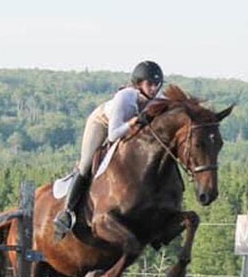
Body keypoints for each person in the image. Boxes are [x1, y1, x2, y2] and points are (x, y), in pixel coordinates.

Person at [53, 60, 165, 239]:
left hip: (129, 130)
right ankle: (67, 212)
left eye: (157, 84)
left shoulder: (159, 99)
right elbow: (113, 134)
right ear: (138, 84)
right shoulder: (125, 98)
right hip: (102, 123)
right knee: (86, 164)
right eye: (150, 84)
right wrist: (133, 122)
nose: (154, 88)